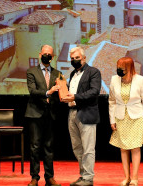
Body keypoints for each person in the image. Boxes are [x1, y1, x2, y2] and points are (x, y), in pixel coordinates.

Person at [62, 47, 101, 186]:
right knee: (77, 147)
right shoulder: (73, 74)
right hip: (72, 112)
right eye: (72, 58)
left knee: (88, 148)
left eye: (77, 58)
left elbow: (94, 91)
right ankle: (83, 175)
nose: (74, 60)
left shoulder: (93, 72)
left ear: (84, 58)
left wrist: (75, 97)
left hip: (87, 113)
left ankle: (88, 178)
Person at [109, 57, 143, 186]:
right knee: (123, 149)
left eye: (122, 67)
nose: (119, 70)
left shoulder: (140, 80)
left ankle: (135, 178)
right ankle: (126, 177)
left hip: (137, 117)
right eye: (118, 67)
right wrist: (112, 120)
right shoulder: (114, 79)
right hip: (120, 117)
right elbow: (111, 101)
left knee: (135, 148)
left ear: (129, 68)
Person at [25, 45, 61, 186]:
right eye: (45, 53)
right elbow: (32, 91)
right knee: (35, 147)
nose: (47, 56)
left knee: (49, 147)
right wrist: (49, 92)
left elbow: (61, 93)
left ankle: (49, 177)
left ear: (53, 57)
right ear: (40, 54)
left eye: (49, 54)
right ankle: (34, 177)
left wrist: (64, 93)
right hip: (35, 113)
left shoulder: (57, 73)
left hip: (50, 113)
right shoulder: (31, 71)